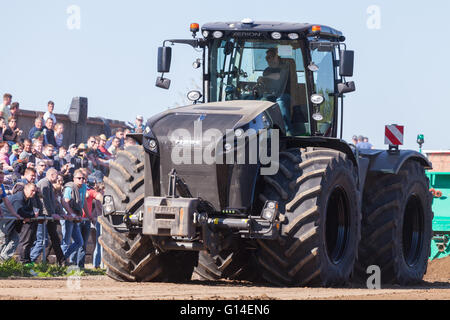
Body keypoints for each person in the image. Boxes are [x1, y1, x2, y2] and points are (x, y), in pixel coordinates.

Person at [30, 168, 66, 266]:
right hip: (44, 216)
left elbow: (53, 201)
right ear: (52, 175)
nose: (58, 177)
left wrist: (59, 212)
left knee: (54, 238)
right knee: (42, 240)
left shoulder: (49, 184)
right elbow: (45, 201)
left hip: (48, 216)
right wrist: (51, 214)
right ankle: (30, 260)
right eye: (56, 175)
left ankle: (61, 261)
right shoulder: (45, 183)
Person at [257, 47, 292, 135]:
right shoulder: (266, 70)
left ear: (275, 57)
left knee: (281, 102)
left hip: (284, 95)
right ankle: (261, 131)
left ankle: (286, 132)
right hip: (270, 96)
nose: (267, 60)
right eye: (266, 58)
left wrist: (264, 78)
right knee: (260, 102)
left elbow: (278, 76)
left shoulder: (285, 67)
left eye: (270, 57)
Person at [60, 169, 88, 267]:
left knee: (79, 242)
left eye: (83, 178)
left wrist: (87, 215)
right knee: (66, 241)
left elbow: (83, 201)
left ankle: (63, 258)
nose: (81, 180)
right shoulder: (70, 188)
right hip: (67, 217)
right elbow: (65, 202)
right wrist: (71, 214)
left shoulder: (84, 187)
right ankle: (62, 262)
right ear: (74, 179)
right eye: (79, 178)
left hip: (75, 216)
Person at [0, 168, 23, 262]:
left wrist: (15, 214)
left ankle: (2, 261)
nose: (1, 179)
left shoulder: (1, 186)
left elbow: (7, 202)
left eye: (2, 177)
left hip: (3, 217)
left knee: (15, 239)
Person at [16, 183, 40, 265]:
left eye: (35, 191)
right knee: (24, 242)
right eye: (32, 191)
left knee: (30, 241)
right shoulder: (19, 197)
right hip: (9, 222)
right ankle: (22, 262)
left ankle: (27, 261)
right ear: (25, 189)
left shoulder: (29, 198)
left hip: (25, 221)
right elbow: (20, 211)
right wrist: (32, 215)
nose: (34, 193)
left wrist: (31, 215)